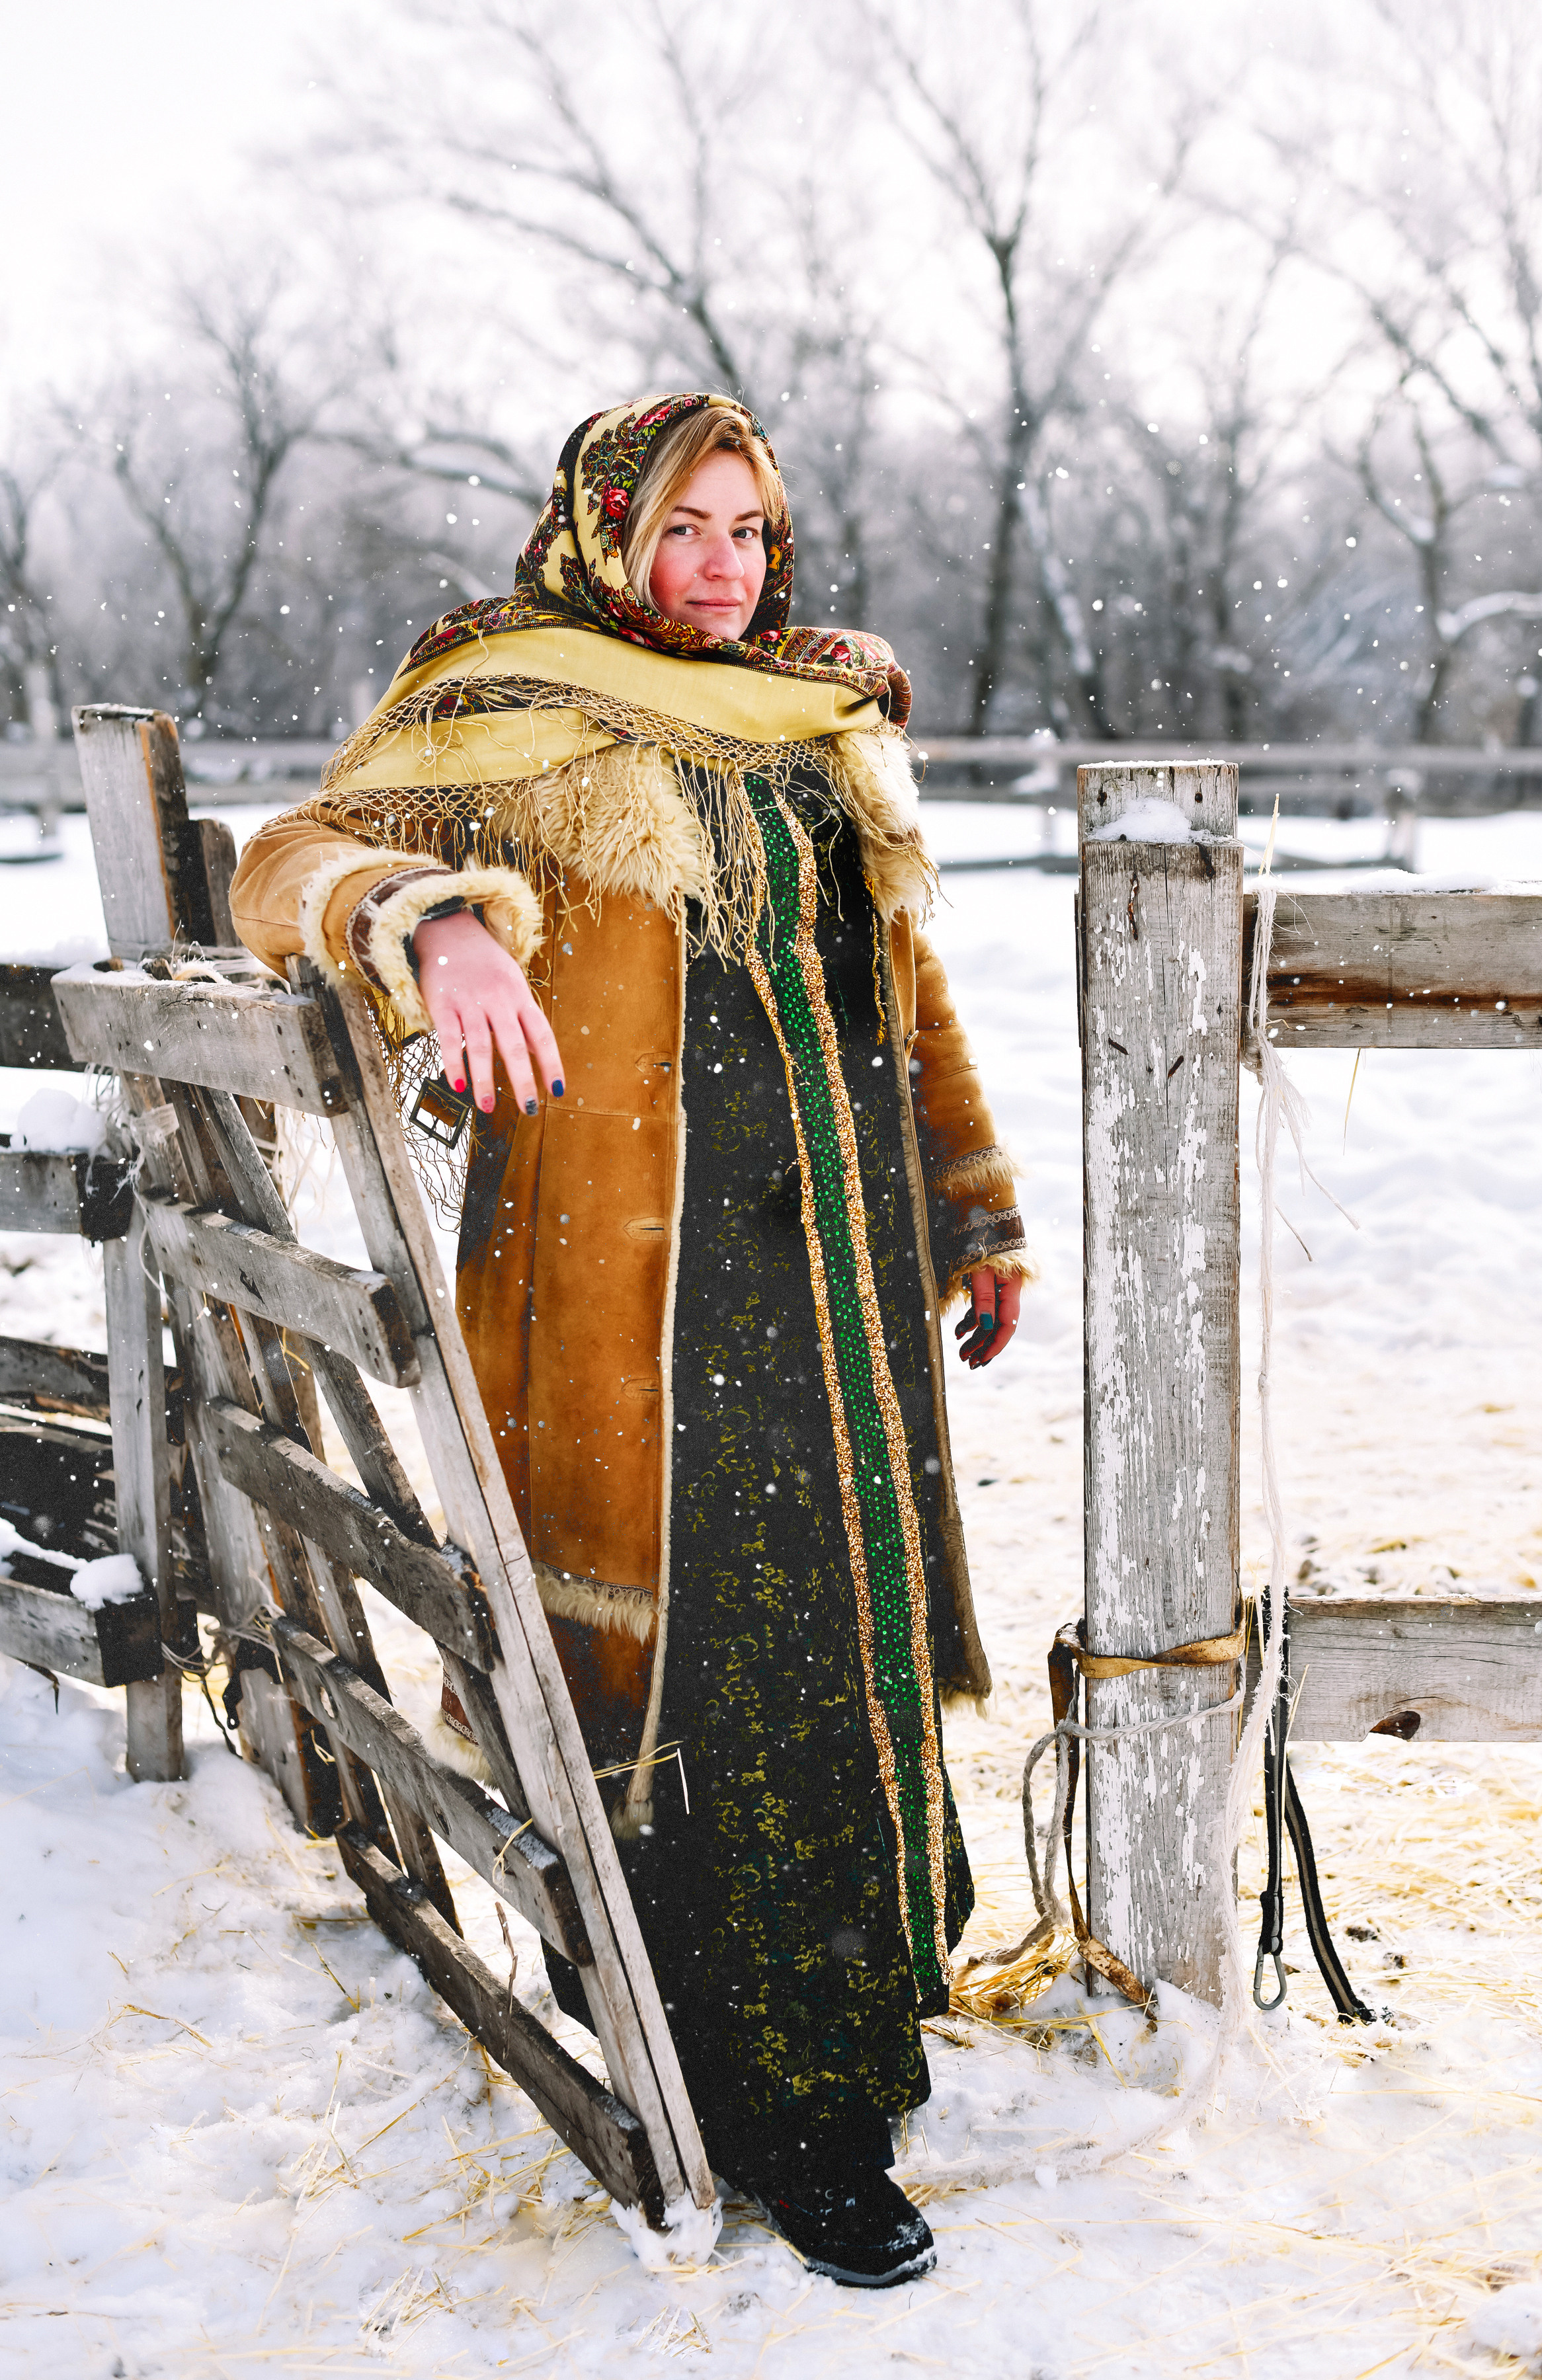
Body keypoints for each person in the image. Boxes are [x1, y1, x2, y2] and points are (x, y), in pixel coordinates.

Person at [229, 392, 1032, 2287]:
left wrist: (974, 1200)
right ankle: (777, 2107)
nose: (723, 572)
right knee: (692, 1661)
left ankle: (845, 2022)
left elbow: (894, 977)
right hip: (630, 1298)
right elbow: (285, 866)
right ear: (602, 531)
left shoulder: (814, 723)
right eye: (684, 530)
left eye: (751, 534)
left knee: (842, 1642)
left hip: (832, 1278)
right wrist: (434, 922)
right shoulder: (502, 702)